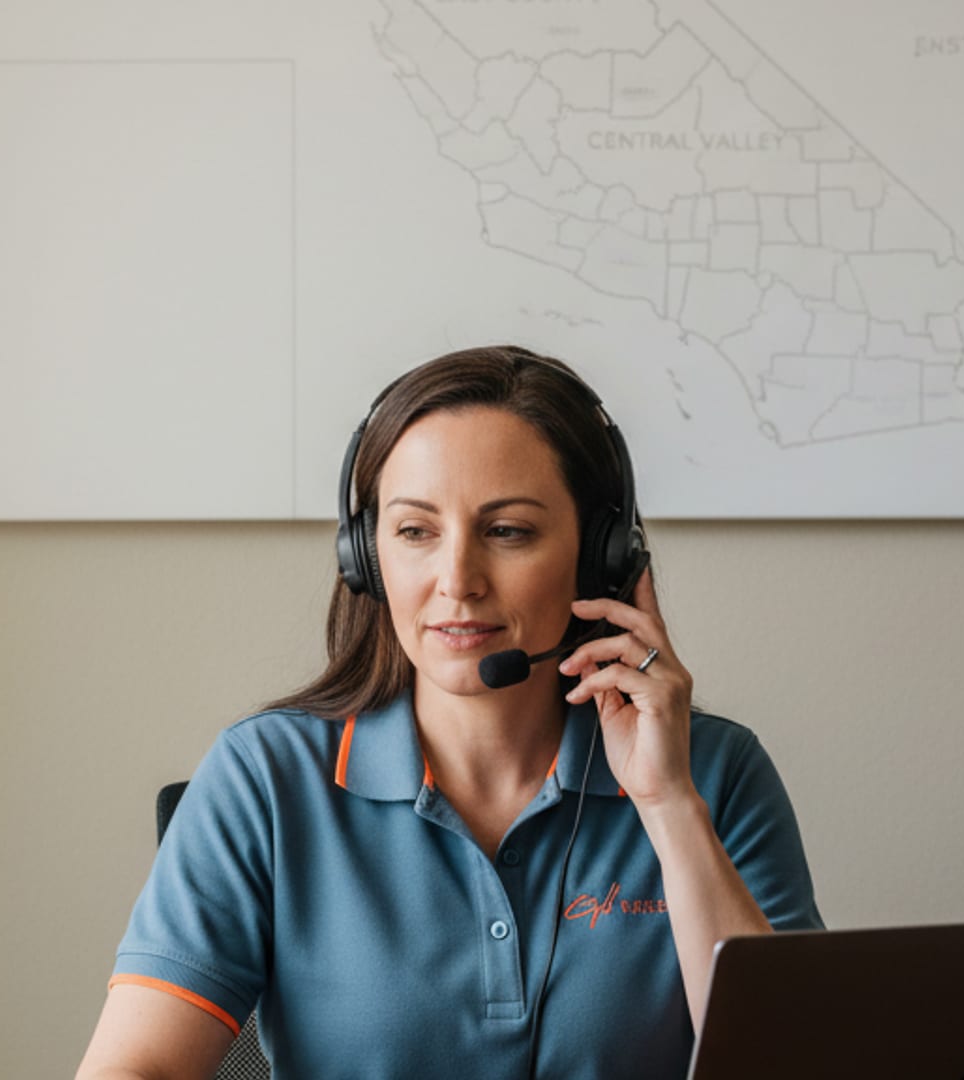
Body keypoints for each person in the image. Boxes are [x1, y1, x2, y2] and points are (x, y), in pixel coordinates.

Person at [75, 346, 823, 1080]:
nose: (456, 580)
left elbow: (791, 1066)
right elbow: (134, 1067)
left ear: (601, 557)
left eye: (508, 531)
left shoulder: (714, 775)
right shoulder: (266, 778)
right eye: (414, 531)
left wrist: (667, 804)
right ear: (364, 557)